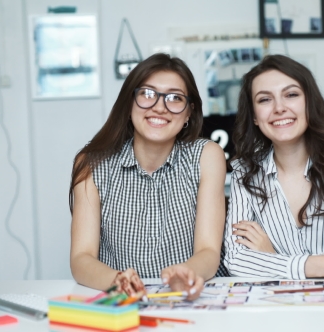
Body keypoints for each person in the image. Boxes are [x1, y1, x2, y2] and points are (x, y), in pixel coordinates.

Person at [69, 53, 226, 300]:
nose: (160, 106)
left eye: (175, 98)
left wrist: (186, 274)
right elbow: (81, 259)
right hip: (124, 303)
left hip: (193, 299)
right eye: (148, 93)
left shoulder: (207, 156)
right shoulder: (91, 164)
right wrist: (117, 281)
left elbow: (208, 250)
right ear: (129, 102)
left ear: (188, 113)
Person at [223, 54, 324, 280]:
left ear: (310, 104)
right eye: (264, 100)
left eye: (291, 95)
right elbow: (236, 261)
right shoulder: (244, 174)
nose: (279, 108)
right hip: (276, 306)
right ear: (255, 117)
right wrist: (322, 266)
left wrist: (272, 255)